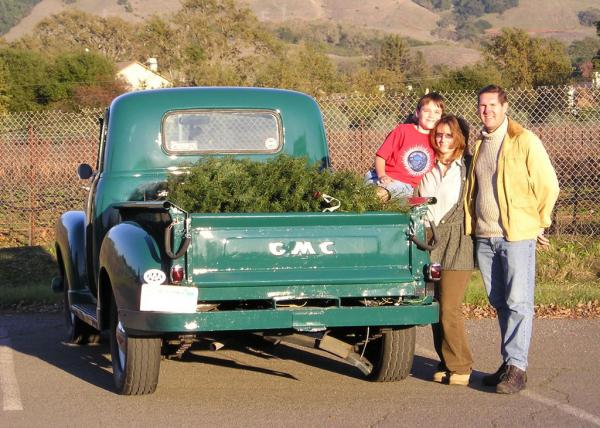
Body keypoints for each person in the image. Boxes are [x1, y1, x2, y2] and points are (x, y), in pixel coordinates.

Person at [464, 85, 559, 394]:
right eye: (482, 105)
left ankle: (518, 367)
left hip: (515, 236)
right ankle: (508, 363)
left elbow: (548, 185)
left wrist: (540, 222)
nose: (487, 110)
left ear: (505, 107)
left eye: (492, 105)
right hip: (485, 237)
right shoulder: (479, 144)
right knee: (500, 303)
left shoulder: (524, 140)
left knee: (519, 301)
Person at [417, 115, 474, 386]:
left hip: (457, 242)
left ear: (458, 138)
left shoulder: (466, 167)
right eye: (439, 134)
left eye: (449, 135)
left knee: (449, 307)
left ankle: (461, 365)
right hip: (429, 241)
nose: (442, 139)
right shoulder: (426, 165)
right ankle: (446, 361)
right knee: (434, 306)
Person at [366, 93, 445, 197]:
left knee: (378, 195)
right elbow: (381, 157)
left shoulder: (438, 139)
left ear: (441, 116)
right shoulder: (402, 130)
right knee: (366, 194)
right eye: (426, 111)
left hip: (404, 186)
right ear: (417, 113)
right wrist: (382, 175)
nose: (431, 116)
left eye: (436, 112)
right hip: (378, 177)